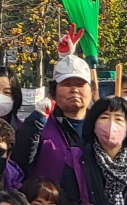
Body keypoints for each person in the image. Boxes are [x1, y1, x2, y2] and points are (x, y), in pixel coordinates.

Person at [18, 53, 94, 193]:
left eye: (80, 84)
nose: (74, 90)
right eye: (66, 84)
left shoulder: (100, 125)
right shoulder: (39, 126)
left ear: (91, 90)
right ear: (54, 90)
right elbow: (20, 162)